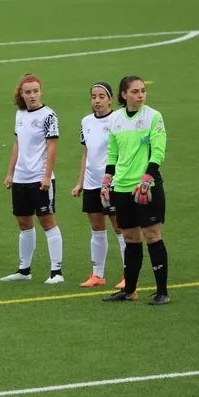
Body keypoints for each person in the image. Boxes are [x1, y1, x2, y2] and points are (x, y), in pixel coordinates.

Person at [101, 75, 170, 305]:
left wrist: (147, 177)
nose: (141, 95)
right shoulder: (116, 120)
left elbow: (158, 151)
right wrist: (107, 179)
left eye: (143, 91)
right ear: (124, 95)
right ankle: (129, 290)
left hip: (146, 186)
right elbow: (112, 153)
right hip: (121, 187)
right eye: (135, 91)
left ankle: (162, 291)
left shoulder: (153, 117)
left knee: (152, 236)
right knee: (130, 238)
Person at [0, 75, 67, 284]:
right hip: (21, 178)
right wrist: (10, 173)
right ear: (22, 94)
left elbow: (52, 147)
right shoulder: (19, 114)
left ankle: (56, 272)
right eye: (27, 92)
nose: (32, 95)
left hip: (40, 178)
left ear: (41, 92)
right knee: (23, 222)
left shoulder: (49, 116)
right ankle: (24, 270)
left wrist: (47, 175)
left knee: (47, 221)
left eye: (35, 91)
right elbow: (17, 145)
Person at [71, 82, 126, 288]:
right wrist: (80, 183)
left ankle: (127, 275)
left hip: (112, 183)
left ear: (110, 99)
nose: (97, 100)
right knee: (96, 228)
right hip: (92, 182)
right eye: (93, 96)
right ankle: (97, 275)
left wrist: (115, 178)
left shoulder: (117, 120)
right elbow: (86, 153)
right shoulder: (86, 121)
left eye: (101, 96)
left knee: (120, 228)